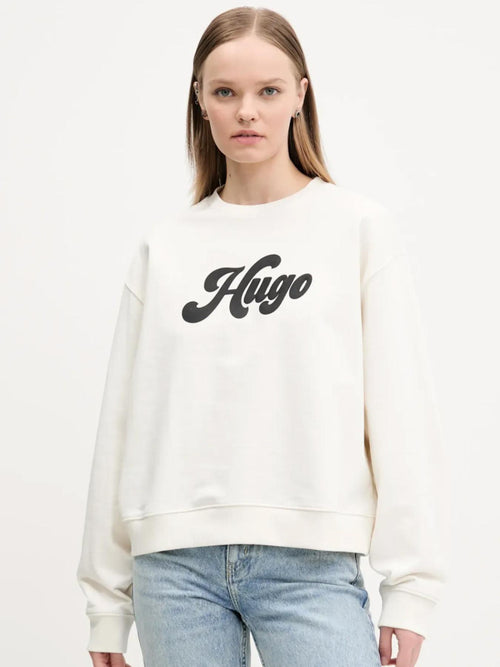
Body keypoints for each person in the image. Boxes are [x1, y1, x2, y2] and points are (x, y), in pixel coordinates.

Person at [76, 6, 448, 667]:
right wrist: (107, 605)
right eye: (226, 92)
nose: (246, 111)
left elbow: (400, 414)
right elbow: (123, 427)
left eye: (268, 91)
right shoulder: (164, 248)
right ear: (200, 100)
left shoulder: (358, 230)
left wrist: (411, 588)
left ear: (300, 95)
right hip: (174, 569)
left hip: (311, 564)